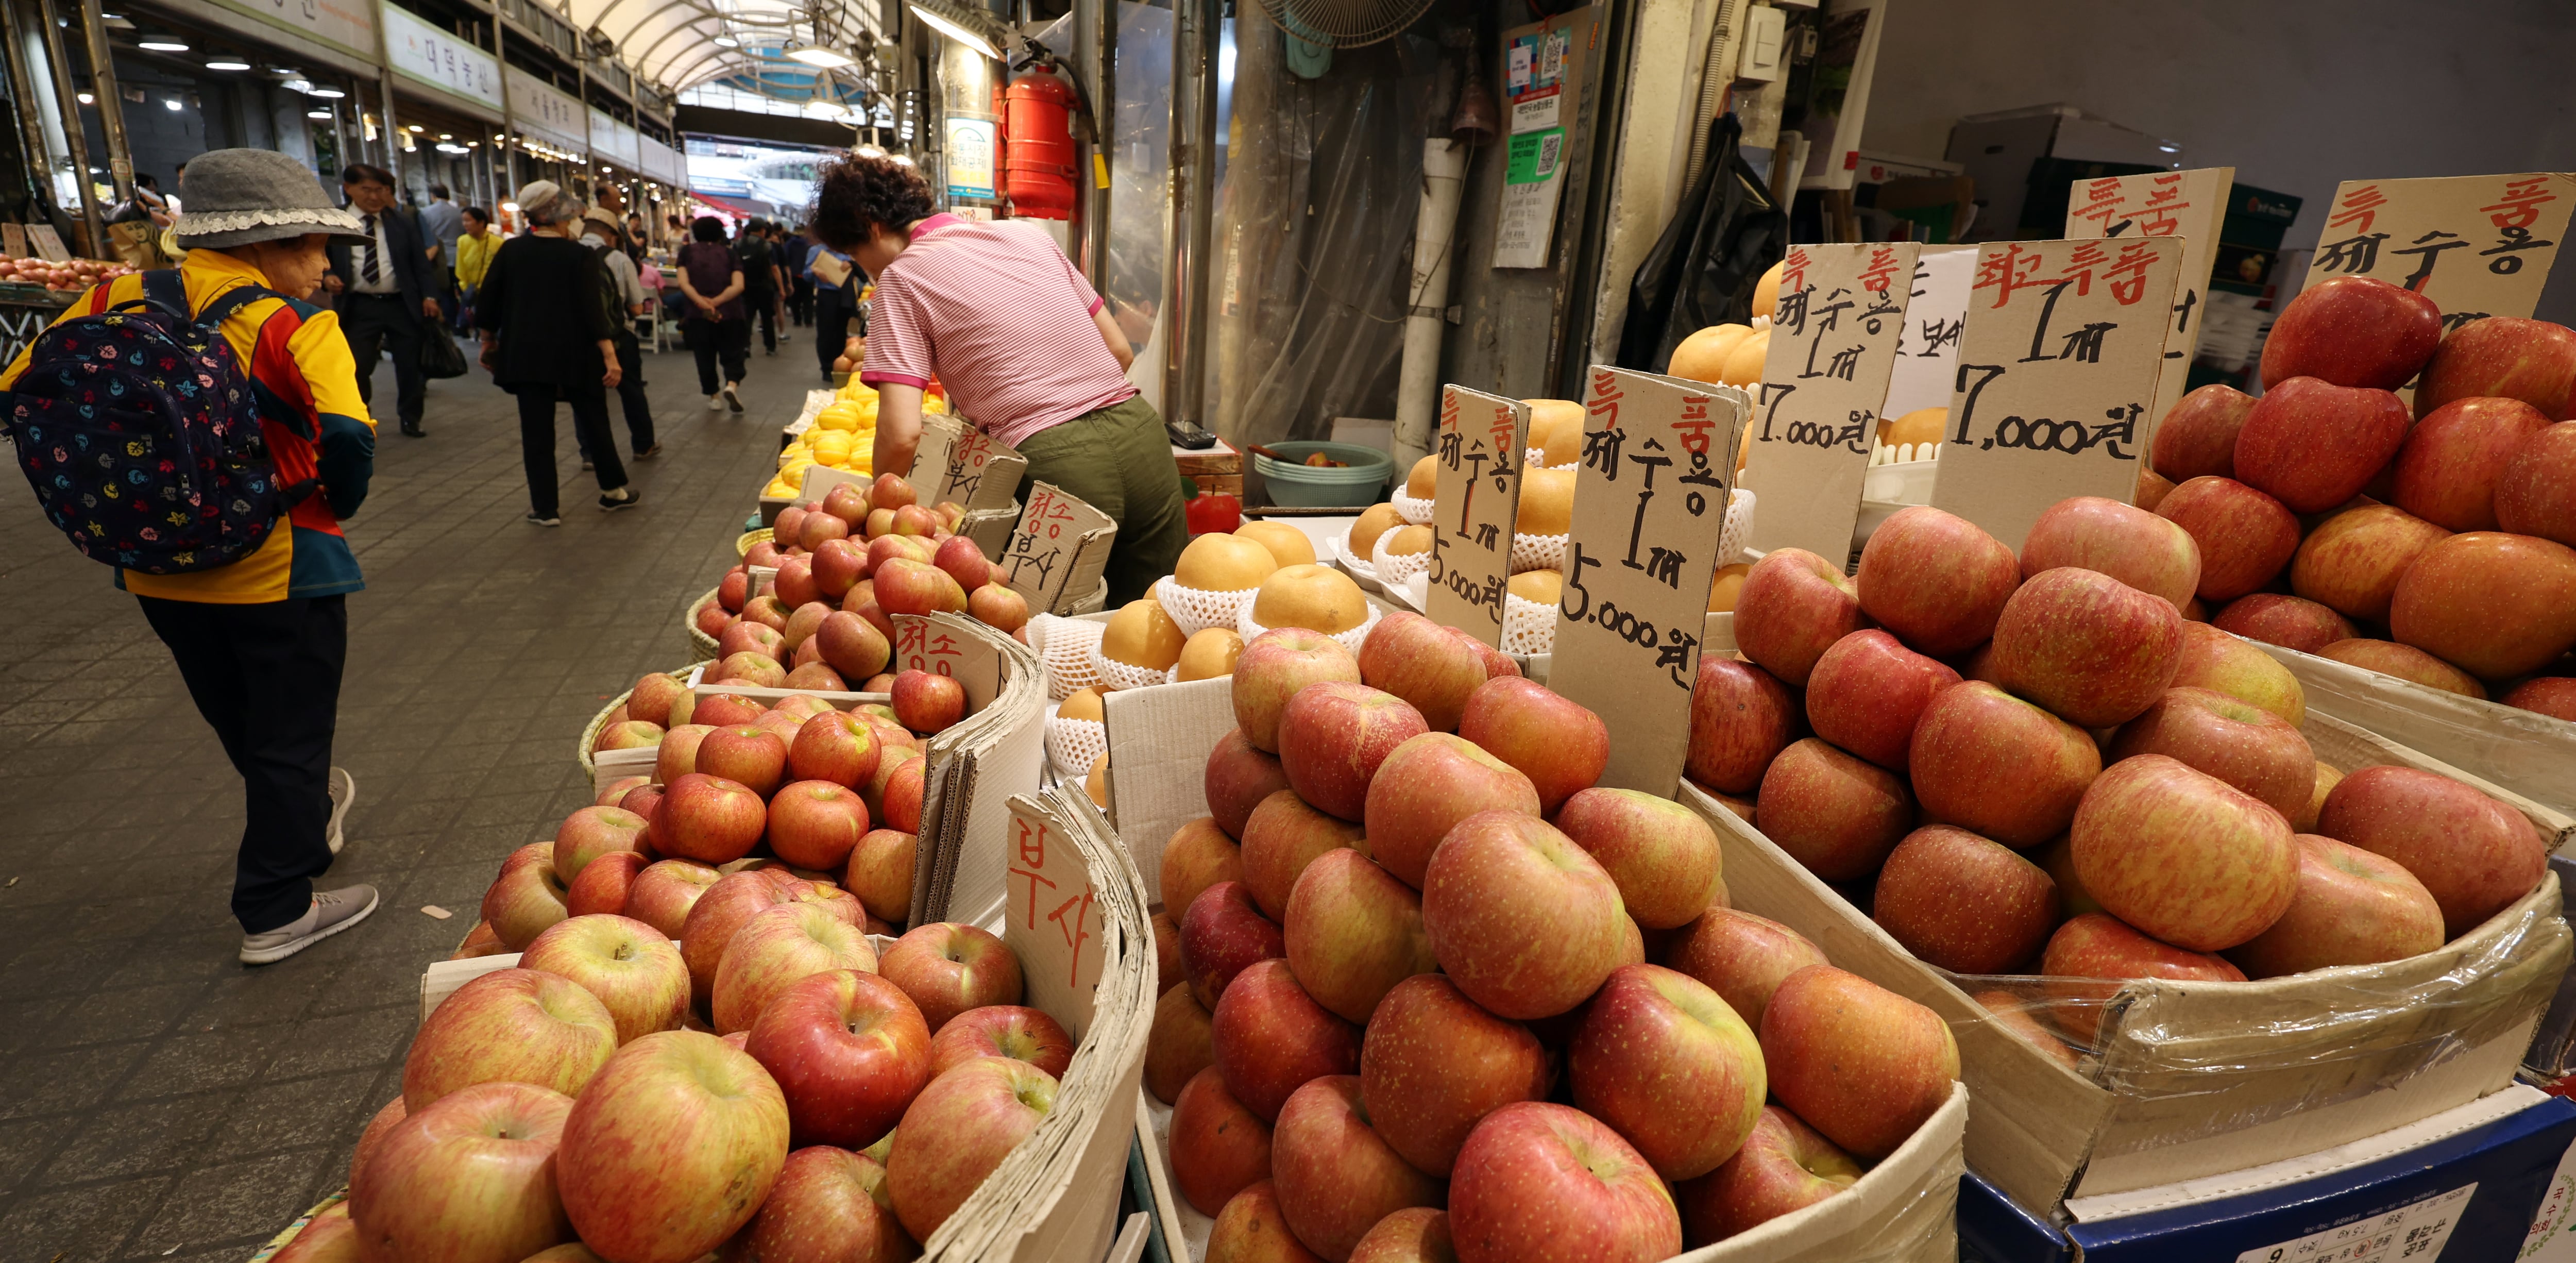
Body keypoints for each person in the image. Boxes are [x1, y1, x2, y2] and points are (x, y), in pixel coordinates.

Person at [0, 148, 382, 963]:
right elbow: (347, 436)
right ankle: (277, 904)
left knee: (240, 717)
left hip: (157, 564)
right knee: (292, 730)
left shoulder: (109, 298)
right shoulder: (295, 326)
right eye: (314, 245)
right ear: (262, 246)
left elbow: (23, 384)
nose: (323, 267)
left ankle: (302, 813)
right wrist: (332, 501)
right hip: (280, 563)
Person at [813, 155, 1187, 603]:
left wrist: (876, 513)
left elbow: (901, 434)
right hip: (1143, 438)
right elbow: (1120, 350)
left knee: (1058, 643)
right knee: (1155, 624)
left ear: (870, 226)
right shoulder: (1028, 237)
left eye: (855, 255)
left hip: (1056, 465)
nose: (864, 269)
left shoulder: (902, 278)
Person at [476, 180, 641, 524]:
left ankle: (546, 508)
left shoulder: (512, 251)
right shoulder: (579, 254)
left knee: (536, 431)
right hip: (577, 355)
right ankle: (613, 492)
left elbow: (489, 301)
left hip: (526, 355)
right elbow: (593, 310)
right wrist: (610, 355)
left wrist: (488, 340)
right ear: (560, 210)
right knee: (595, 420)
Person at [323, 164, 439, 437]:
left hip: (400, 304)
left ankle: (411, 418)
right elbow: (320, 256)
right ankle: (361, 418)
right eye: (367, 190)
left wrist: (430, 296)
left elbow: (420, 264)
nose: (375, 197)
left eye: (381, 190)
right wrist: (327, 276)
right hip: (358, 305)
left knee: (409, 365)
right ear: (348, 188)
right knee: (358, 365)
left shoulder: (401, 222)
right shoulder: (334, 221)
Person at [579, 207, 660, 465]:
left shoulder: (568, 254)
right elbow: (637, 307)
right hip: (618, 335)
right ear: (612, 236)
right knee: (631, 391)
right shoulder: (619, 259)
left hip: (580, 338)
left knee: (586, 396)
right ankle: (643, 444)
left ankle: (590, 454)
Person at [676, 215, 749, 412]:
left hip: (698, 315)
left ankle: (714, 397)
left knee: (704, 356)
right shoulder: (730, 254)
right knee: (734, 353)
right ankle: (732, 385)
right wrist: (716, 302)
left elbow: (683, 283)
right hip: (730, 313)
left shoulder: (686, 253)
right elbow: (739, 285)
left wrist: (703, 303)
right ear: (720, 233)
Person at [807, 227, 857, 381]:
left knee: (841, 331)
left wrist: (851, 264)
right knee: (825, 332)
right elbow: (806, 274)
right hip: (826, 295)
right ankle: (827, 367)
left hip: (845, 295)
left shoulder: (847, 251)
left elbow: (859, 268)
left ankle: (840, 364)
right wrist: (815, 272)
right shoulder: (816, 251)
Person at [419, 182, 465, 327]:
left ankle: (450, 323)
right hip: (460, 257)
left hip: (440, 261)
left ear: (433, 196)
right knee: (464, 293)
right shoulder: (460, 212)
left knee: (446, 293)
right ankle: (463, 323)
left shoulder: (425, 213)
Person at [738, 217, 782, 356]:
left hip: (745, 287)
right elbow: (774, 268)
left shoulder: (739, 244)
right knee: (767, 318)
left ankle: (745, 346)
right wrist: (781, 288)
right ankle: (770, 347)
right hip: (764, 287)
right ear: (763, 230)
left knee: (747, 318)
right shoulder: (767, 246)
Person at [455, 206, 500, 329]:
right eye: (463, 221)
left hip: (493, 292)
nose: (465, 224)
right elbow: (461, 268)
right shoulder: (462, 241)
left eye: (468, 220)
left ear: (481, 222)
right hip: (473, 291)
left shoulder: (497, 243)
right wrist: (466, 288)